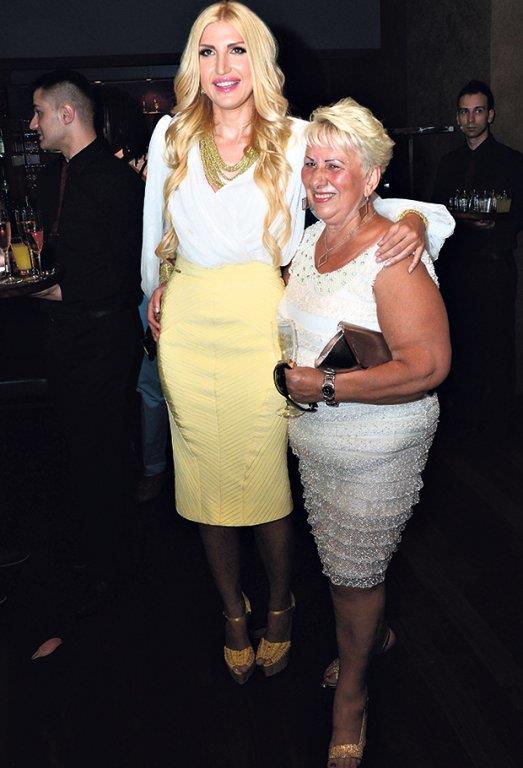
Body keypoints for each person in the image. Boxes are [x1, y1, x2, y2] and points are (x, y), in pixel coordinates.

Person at [142, 1, 453, 685]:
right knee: (203, 483)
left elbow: (362, 185)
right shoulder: (169, 135)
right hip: (189, 326)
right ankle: (232, 611)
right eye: (207, 51)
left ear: (258, 60)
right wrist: (159, 286)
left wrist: (411, 221)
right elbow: (153, 238)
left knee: (264, 481)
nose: (222, 66)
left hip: (263, 323)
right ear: (194, 63)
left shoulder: (294, 136)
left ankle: (280, 603)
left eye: (237, 49)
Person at [280, 98, 451, 766]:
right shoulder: (308, 242)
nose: (319, 177)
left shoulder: (392, 253)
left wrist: (325, 386)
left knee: (354, 574)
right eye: (312, 163)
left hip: (377, 448)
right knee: (341, 565)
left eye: (336, 165)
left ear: (372, 176)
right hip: (318, 445)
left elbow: (428, 366)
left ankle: (351, 694)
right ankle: (369, 639)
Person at [27, 70, 144, 655]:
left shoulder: (118, 182)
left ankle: (110, 575)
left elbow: (130, 274)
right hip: (63, 337)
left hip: (103, 338)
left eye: (38, 112)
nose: (32, 124)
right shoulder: (54, 176)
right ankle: (89, 556)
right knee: (73, 450)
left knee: (103, 453)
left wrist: (65, 291)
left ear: (67, 114)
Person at [433, 80, 523, 440]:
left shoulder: (512, 162)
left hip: (494, 266)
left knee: (496, 344)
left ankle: (497, 423)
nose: (471, 119)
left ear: (491, 115)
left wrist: (497, 224)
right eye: (464, 112)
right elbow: (437, 213)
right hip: (457, 269)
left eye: (478, 111)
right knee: (459, 340)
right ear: (458, 117)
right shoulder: (448, 163)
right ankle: (462, 419)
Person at [99, 86, 170, 502]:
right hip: (139, 288)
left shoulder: (159, 161)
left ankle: (165, 468)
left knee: (161, 385)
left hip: (173, 284)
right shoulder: (113, 169)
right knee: (149, 386)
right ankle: (154, 466)